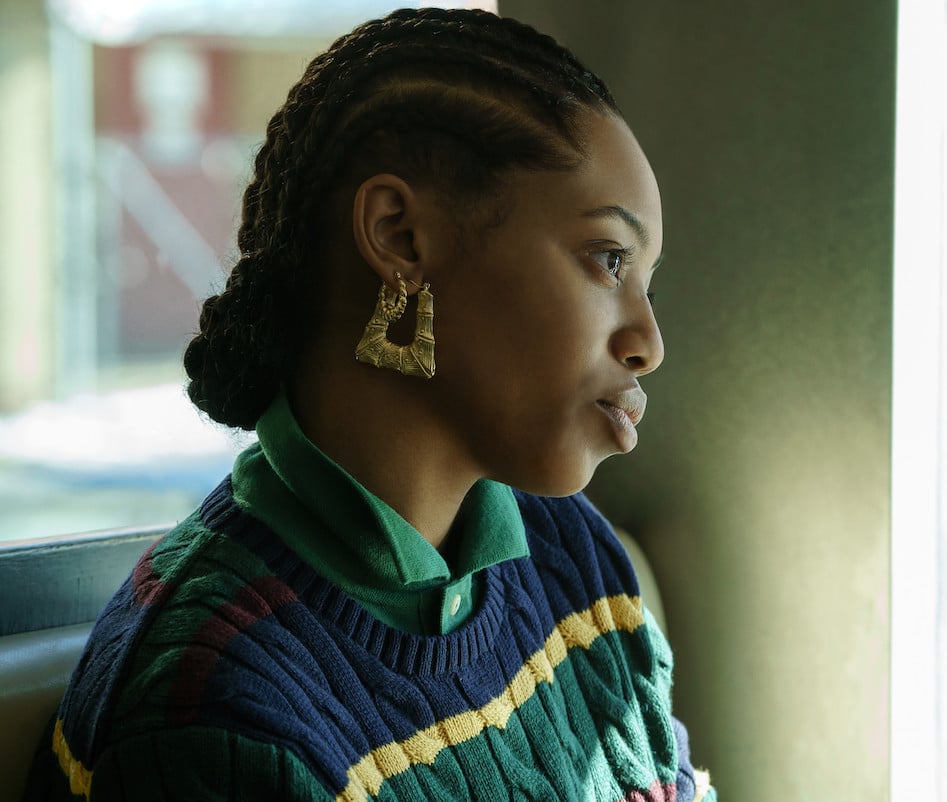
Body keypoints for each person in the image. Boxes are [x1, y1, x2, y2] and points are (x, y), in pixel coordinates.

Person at [22, 7, 715, 802]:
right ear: (400, 237)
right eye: (608, 259)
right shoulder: (216, 717)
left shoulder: (569, 554)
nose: (648, 342)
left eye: (646, 282)